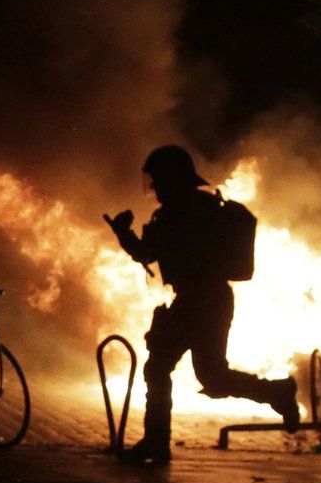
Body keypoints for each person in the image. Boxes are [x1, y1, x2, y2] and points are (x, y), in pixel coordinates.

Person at [105, 145, 299, 465]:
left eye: (156, 179)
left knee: (165, 368)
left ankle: (156, 442)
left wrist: (124, 235)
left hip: (200, 299)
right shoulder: (204, 207)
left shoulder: (178, 213)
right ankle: (277, 393)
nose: (153, 187)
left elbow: (147, 254)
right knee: (208, 375)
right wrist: (124, 234)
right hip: (208, 299)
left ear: (171, 178)